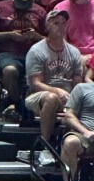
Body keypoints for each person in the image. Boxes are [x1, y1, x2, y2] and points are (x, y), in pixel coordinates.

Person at [0, 0, 46, 117]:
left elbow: (50, 39)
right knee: (10, 70)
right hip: (7, 53)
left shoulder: (40, 11)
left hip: (34, 54)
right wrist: (10, 35)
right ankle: (19, 106)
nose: (23, 7)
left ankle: (8, 102)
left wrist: (36, 36)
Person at [24, 8, 84, 141]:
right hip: (39, 95)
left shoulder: (74, 52)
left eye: (64, 23)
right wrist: (56, 91)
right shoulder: (37, 51)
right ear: (47, 26)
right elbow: (35, 84)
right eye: (56, 23)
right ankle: (45, 143)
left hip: (68, 95)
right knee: (51, 98)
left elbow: (77, 82)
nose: (61, 27)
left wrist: (75, 98)